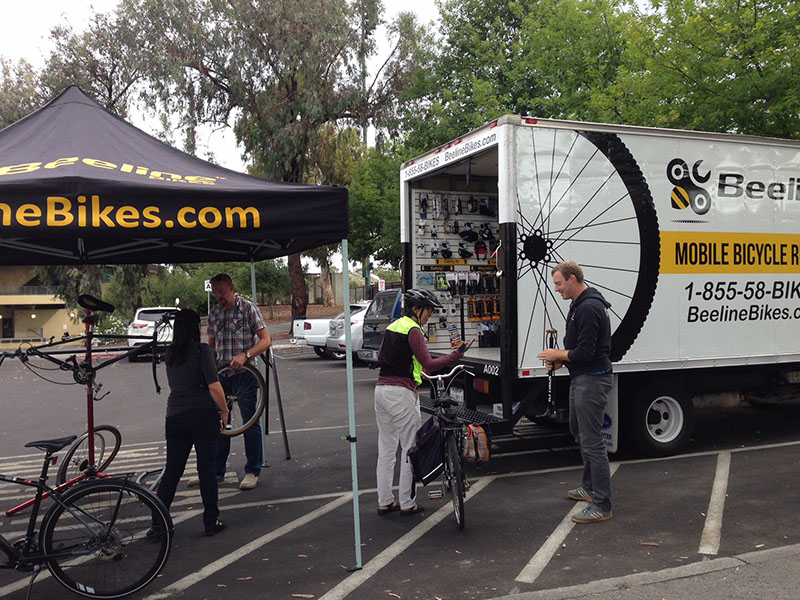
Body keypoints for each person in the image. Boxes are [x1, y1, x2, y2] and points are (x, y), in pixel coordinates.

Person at [374, 288, 470, 517]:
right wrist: (457, 354)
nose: (430, 315)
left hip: (381, 391)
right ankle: (407, 503)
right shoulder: (413, 329)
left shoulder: (393, 326)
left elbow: (382, 358)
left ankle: (385, 501)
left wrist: (413, 370)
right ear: (416, 309)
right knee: (410, 448)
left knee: (386, 449)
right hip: (401, 394)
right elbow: (429, 363)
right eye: (428, 310)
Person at [537, 260, 614, 524]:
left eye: (558, 283)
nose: (556, 289)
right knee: (578, 432)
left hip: (592, 380)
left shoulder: (590, 308)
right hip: (582, 376)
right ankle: (590, 487)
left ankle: (602, 504)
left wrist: (558, 354)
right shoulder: (580, 305)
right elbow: (581, 352)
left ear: (572, 278)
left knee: (593, 441)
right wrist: (563, 360)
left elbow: (588, 352)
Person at [197, 273, 272, 490]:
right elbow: (211, 346)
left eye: (221, 291)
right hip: (222, 375)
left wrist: (246, 355)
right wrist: (208, 369)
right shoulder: (214, 313)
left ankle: (252, 470)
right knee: (220, 423)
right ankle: (217, 471)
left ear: (231, 287)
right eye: (215, 292)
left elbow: (266, 340)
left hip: (246, 375)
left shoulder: (248, 309)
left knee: (250, 422)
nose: (218, 296)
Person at [157, 309, 229, 536]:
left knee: (172, 472)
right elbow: (214, 385)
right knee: (206, 469)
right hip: (202, 415)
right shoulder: (202, 350)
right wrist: (224, 410)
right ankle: (211, 522)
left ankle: (158, 524)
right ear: (195, 327)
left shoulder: (170, 353)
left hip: (175, 417)